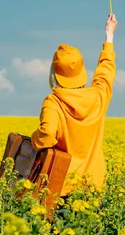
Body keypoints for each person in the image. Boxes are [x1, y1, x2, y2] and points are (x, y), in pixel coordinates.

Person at [30, 14, 118, 197]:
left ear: (54, 73)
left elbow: (46, 135)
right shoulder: (98, 96)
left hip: (63, 187)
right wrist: (109, 35)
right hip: (94, 187)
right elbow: (106, 71)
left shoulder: (53, 102)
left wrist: (33, 140)